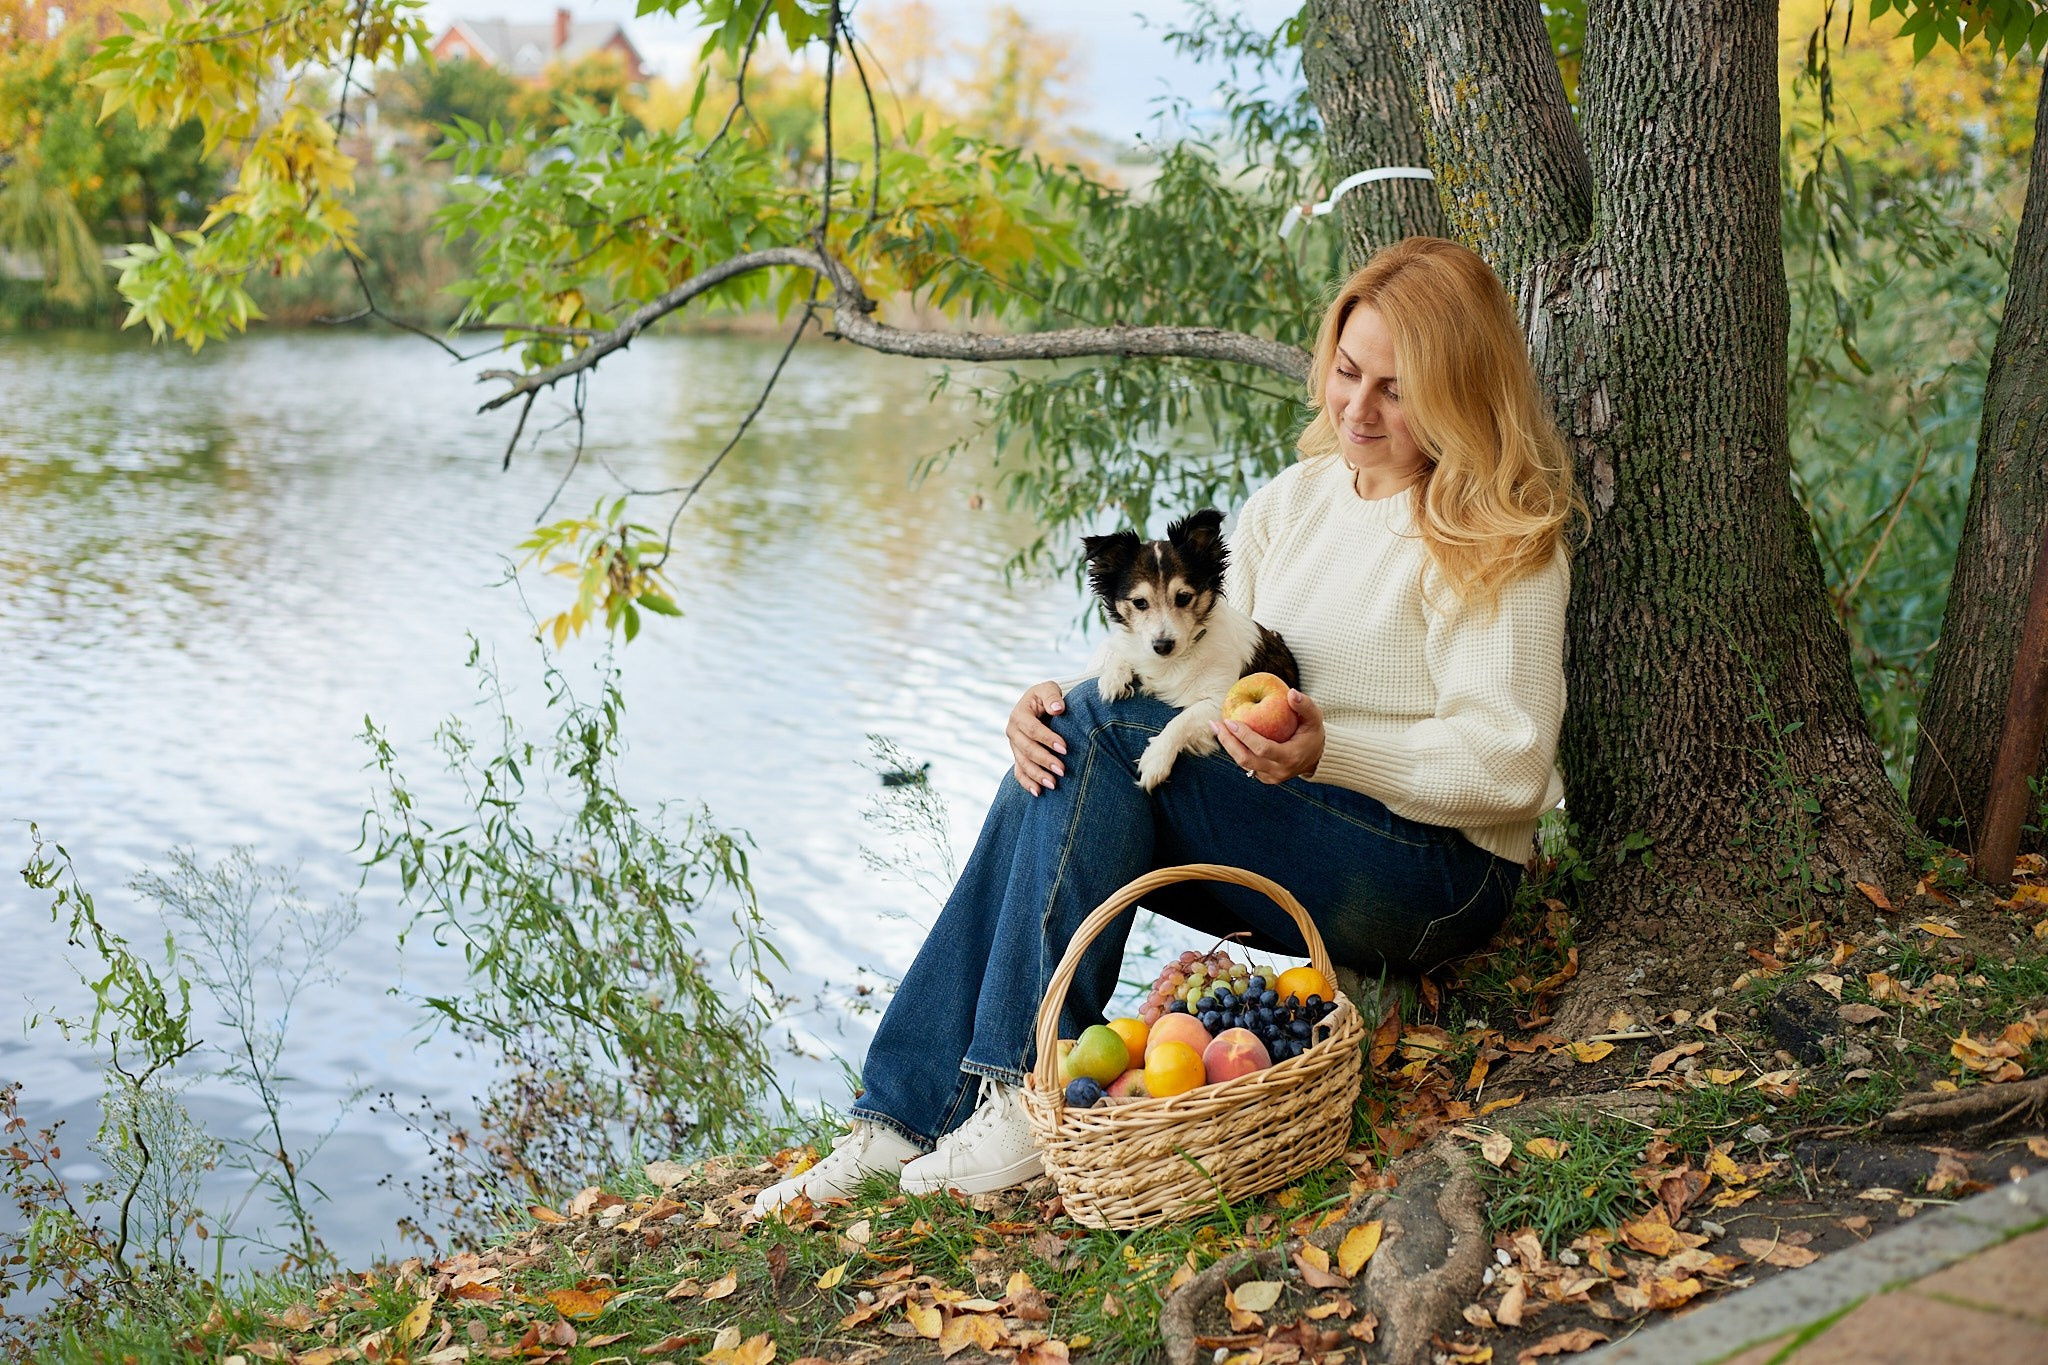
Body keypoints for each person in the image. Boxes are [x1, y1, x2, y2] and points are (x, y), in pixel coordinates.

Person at [754, 236, 1584, 1214]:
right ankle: (901, 1118)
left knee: (1102, 732)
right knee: (1074, 733)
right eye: (1347, 373)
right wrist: (1056, 698)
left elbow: (1511, 766)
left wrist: (1329, 749)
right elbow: (1196, 666)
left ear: (1457, 390)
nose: (1356, 409)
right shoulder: (1291, 504)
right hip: (1296, 822)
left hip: (1435, 874)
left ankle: (1023, 1093)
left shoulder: (1494, 529)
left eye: (1395, 392)